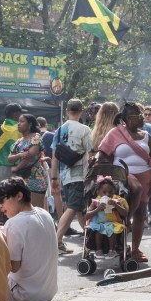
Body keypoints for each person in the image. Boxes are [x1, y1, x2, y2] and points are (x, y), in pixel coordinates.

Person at [96, 102, 151, 262]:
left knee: (141, 213)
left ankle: (135, 250)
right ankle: (126, 223)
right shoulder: (115, 133)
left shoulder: (146, 135)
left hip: (145, 175)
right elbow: (102, 155)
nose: (142, 117)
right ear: (127, 119)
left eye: (142, 114)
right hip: (122, 174)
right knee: (134, 191)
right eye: (138, 115)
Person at [0, 177, 58, 301]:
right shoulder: (45, 214)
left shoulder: (13, 223)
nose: (0, 206)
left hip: (25, 296)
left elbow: (13, 267)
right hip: (48, 293)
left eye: (2, 201)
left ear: (18, 196)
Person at [51, 98, 94, 254]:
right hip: (80, 174)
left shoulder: (60, 130)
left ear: (67, 111)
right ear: (80, 112)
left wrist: (53, 177)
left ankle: (89, 241)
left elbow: (55, 155)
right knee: (73, 207)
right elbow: (92, 152)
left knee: (80, 208)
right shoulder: (84, 129)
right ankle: (57, 241)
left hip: (65, 175)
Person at [7, 113, 48, 210]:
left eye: (22, 121)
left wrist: (17, 168)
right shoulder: (18, 141)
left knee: (36, 210)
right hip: (21, 179)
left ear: (30, 124)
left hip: (36, 178)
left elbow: (30, 155)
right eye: (18, 122)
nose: (18, 124)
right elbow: (9, 158)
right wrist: (20, 155)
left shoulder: (36, 137)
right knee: (22, 210)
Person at [0, 103, 24, 222]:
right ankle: (12, 220)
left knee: (1, 194)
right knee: (14, 195)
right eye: (20, 113)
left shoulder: (1, 127)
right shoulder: (18, 128)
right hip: (12, 165)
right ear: (15, 114)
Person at [84, 176, 129, 258]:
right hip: (100, 222)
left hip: (113, 222)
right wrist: (97, 209)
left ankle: (112, 250)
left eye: (110, 192)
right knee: (99, 230)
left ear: (114, 191)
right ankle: (98, 249)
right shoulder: (95, 202)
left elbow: (125, 214)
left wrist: (116, 205)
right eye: (104, 192)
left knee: (110, 229)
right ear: (98, 192)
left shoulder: (117, 201)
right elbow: (87, 215)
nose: (107, 194)